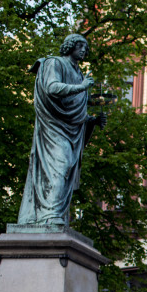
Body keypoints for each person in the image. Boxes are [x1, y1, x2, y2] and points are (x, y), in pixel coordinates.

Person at [17, 33, 106, 226]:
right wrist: (81, 87)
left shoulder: (79, 73)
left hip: (70, 128)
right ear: (70, 46)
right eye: (80, 45)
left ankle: (54, 213)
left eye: (86, 47)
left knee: (66, 170)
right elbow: (51, 87)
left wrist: (92, 121)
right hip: (53, 126)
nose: (84, 50)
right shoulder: (54, 63)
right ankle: (48, 214)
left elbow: (77, 109)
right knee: (62, 163)